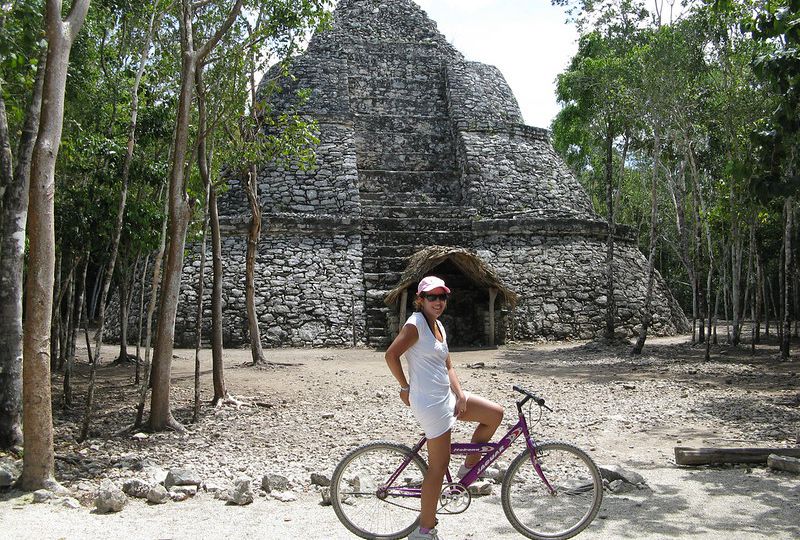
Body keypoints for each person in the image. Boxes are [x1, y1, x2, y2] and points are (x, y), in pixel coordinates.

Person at [385, 276, 504, 540]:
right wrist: (404, 387)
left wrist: (460, 394)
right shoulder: (415, 325)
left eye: (442, 297)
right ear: (420, 300)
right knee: (438, 467)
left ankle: (466, 473)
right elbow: (391, 355)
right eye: (432, 297)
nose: (438, 302)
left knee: (495, 413)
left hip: (446, 396)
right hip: (429, 402)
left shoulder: (438, 325)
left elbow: (448, 365)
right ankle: (424, 530)